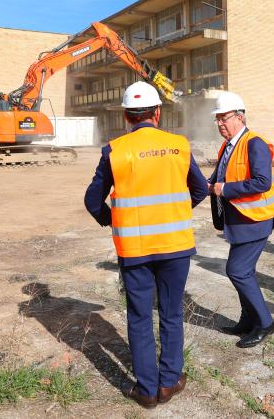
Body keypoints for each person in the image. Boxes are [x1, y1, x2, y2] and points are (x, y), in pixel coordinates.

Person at [84, 81, 208, 409]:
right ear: (157, 112)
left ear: (126, 116)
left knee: (139, 316)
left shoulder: (116, 150)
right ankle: (169, 382)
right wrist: (174, 211)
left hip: (135, 248)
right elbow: (200, 189)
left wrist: (116, 220)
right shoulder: (179, 145)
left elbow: (92, 200)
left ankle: (147, 391)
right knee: (170, 311)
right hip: (175, 245)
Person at [208, 91, 274, 348]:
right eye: (217, 119)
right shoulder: (228, 146)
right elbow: (216, 178)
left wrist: (224, 189)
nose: (219, 123)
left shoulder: (254, 143)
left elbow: (262, 181)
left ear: (239, 117)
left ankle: (265, 323)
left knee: (237, 271)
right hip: (238, 223)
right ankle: (247, 320)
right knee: (243, 272)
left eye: (223, 118)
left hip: (255, 221)